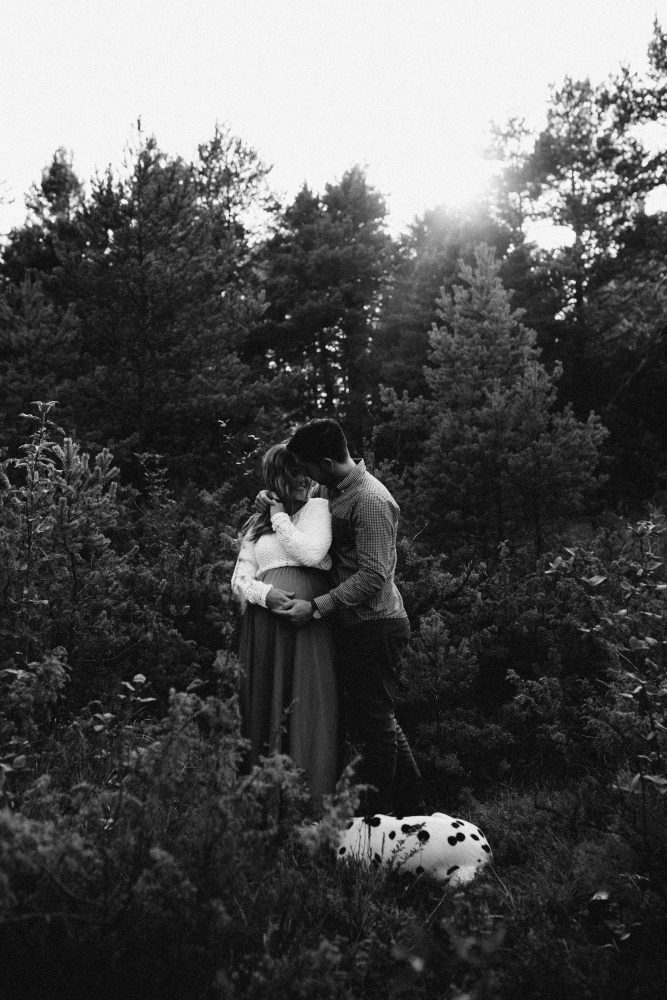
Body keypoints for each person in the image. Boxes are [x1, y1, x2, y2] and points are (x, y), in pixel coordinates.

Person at [263, 418, 425, 817]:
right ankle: (414, 803)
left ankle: (378, 819)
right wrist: (276, 502)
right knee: (377, 717)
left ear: (327, 461)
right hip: (352, 625)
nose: (305, 477)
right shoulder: (328, 487)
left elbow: (373, 576)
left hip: (376, 625)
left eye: (307, 468)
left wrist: (316, 607)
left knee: (376, 722)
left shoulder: (371, 500)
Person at [232, 443, 338, 814]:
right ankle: (264, 806)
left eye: (306, 472)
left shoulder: (318, 509)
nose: (303, 480)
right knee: (264, 707)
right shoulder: (254, 524)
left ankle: (308, 808)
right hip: (263, 627)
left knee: (306, 704)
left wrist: (279, 516)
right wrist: (265, 594)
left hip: (305, 626)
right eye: (294, 473)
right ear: (278, 476)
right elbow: (240, 579)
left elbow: (310, 553)